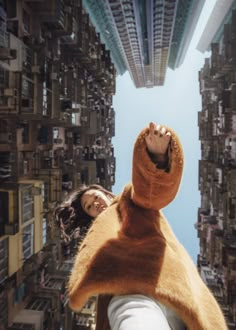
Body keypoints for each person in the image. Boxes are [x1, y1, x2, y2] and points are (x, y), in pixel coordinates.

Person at [56, 123, 228, 330]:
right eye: (90, 207)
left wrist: (156, 157)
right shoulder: (98, 235)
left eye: (95, 197)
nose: (96, 204)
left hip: (174, 288)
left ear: (104, 192)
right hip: (130, 293)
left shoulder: (129, 200)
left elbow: (150, 192)